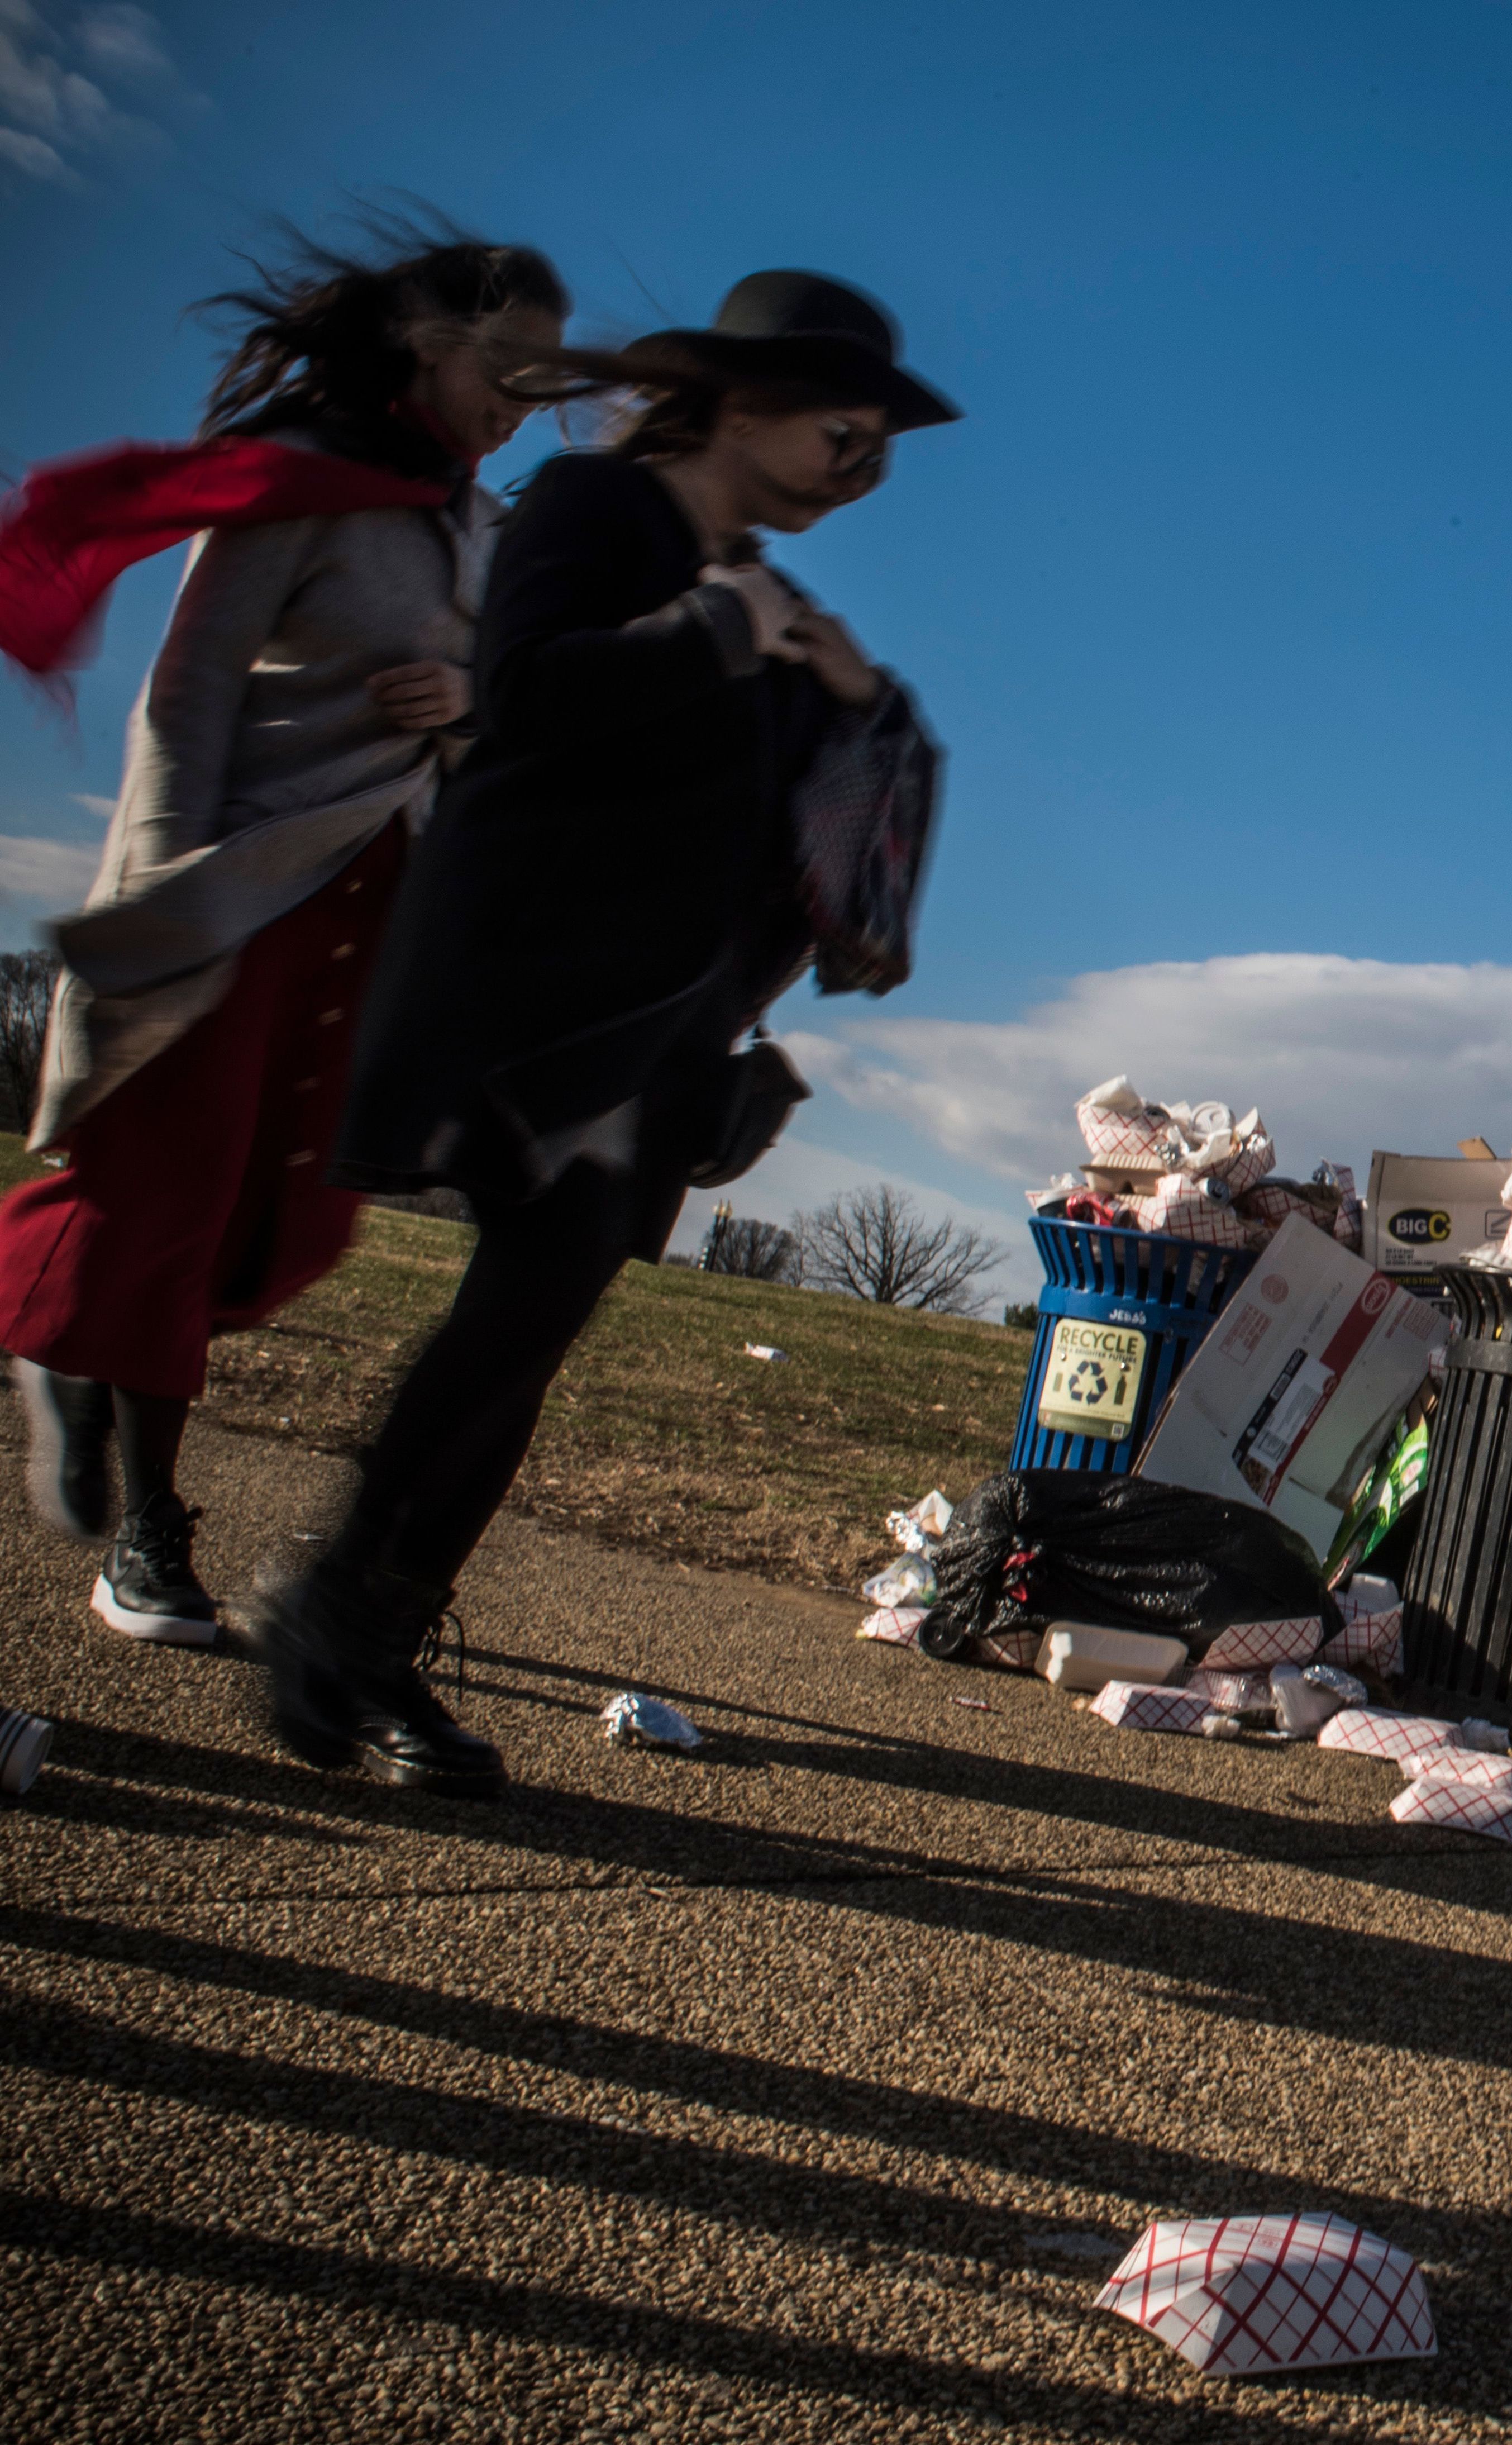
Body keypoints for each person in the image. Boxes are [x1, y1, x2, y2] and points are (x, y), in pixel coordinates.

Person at [260, 270, 956, 1794]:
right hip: (528, 992)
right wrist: (722, 626)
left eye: (883, 436)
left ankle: (366, 1634)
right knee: (508, 1331)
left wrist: (862, 702)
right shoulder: (594, 508)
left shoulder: (771, 601)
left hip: (653, 1033)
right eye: (848, 421)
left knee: (522, 1340)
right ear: (742, 401)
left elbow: (840, 870)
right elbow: (524, 697)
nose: (868, 457)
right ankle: (342, 1625)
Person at [0, 225, 569, 1645]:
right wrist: (165, 906)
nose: (524, 399)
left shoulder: (487, 533)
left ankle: (68, 1345)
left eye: (547, 381)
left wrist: (471, 699)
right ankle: (149, 1530)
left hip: (381, 915)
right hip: (241, 893)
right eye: (507, 367)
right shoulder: (292, 497)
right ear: (424, 343)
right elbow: (183, 703)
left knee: (292, 1225)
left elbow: (497, 724)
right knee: (177, 1202)